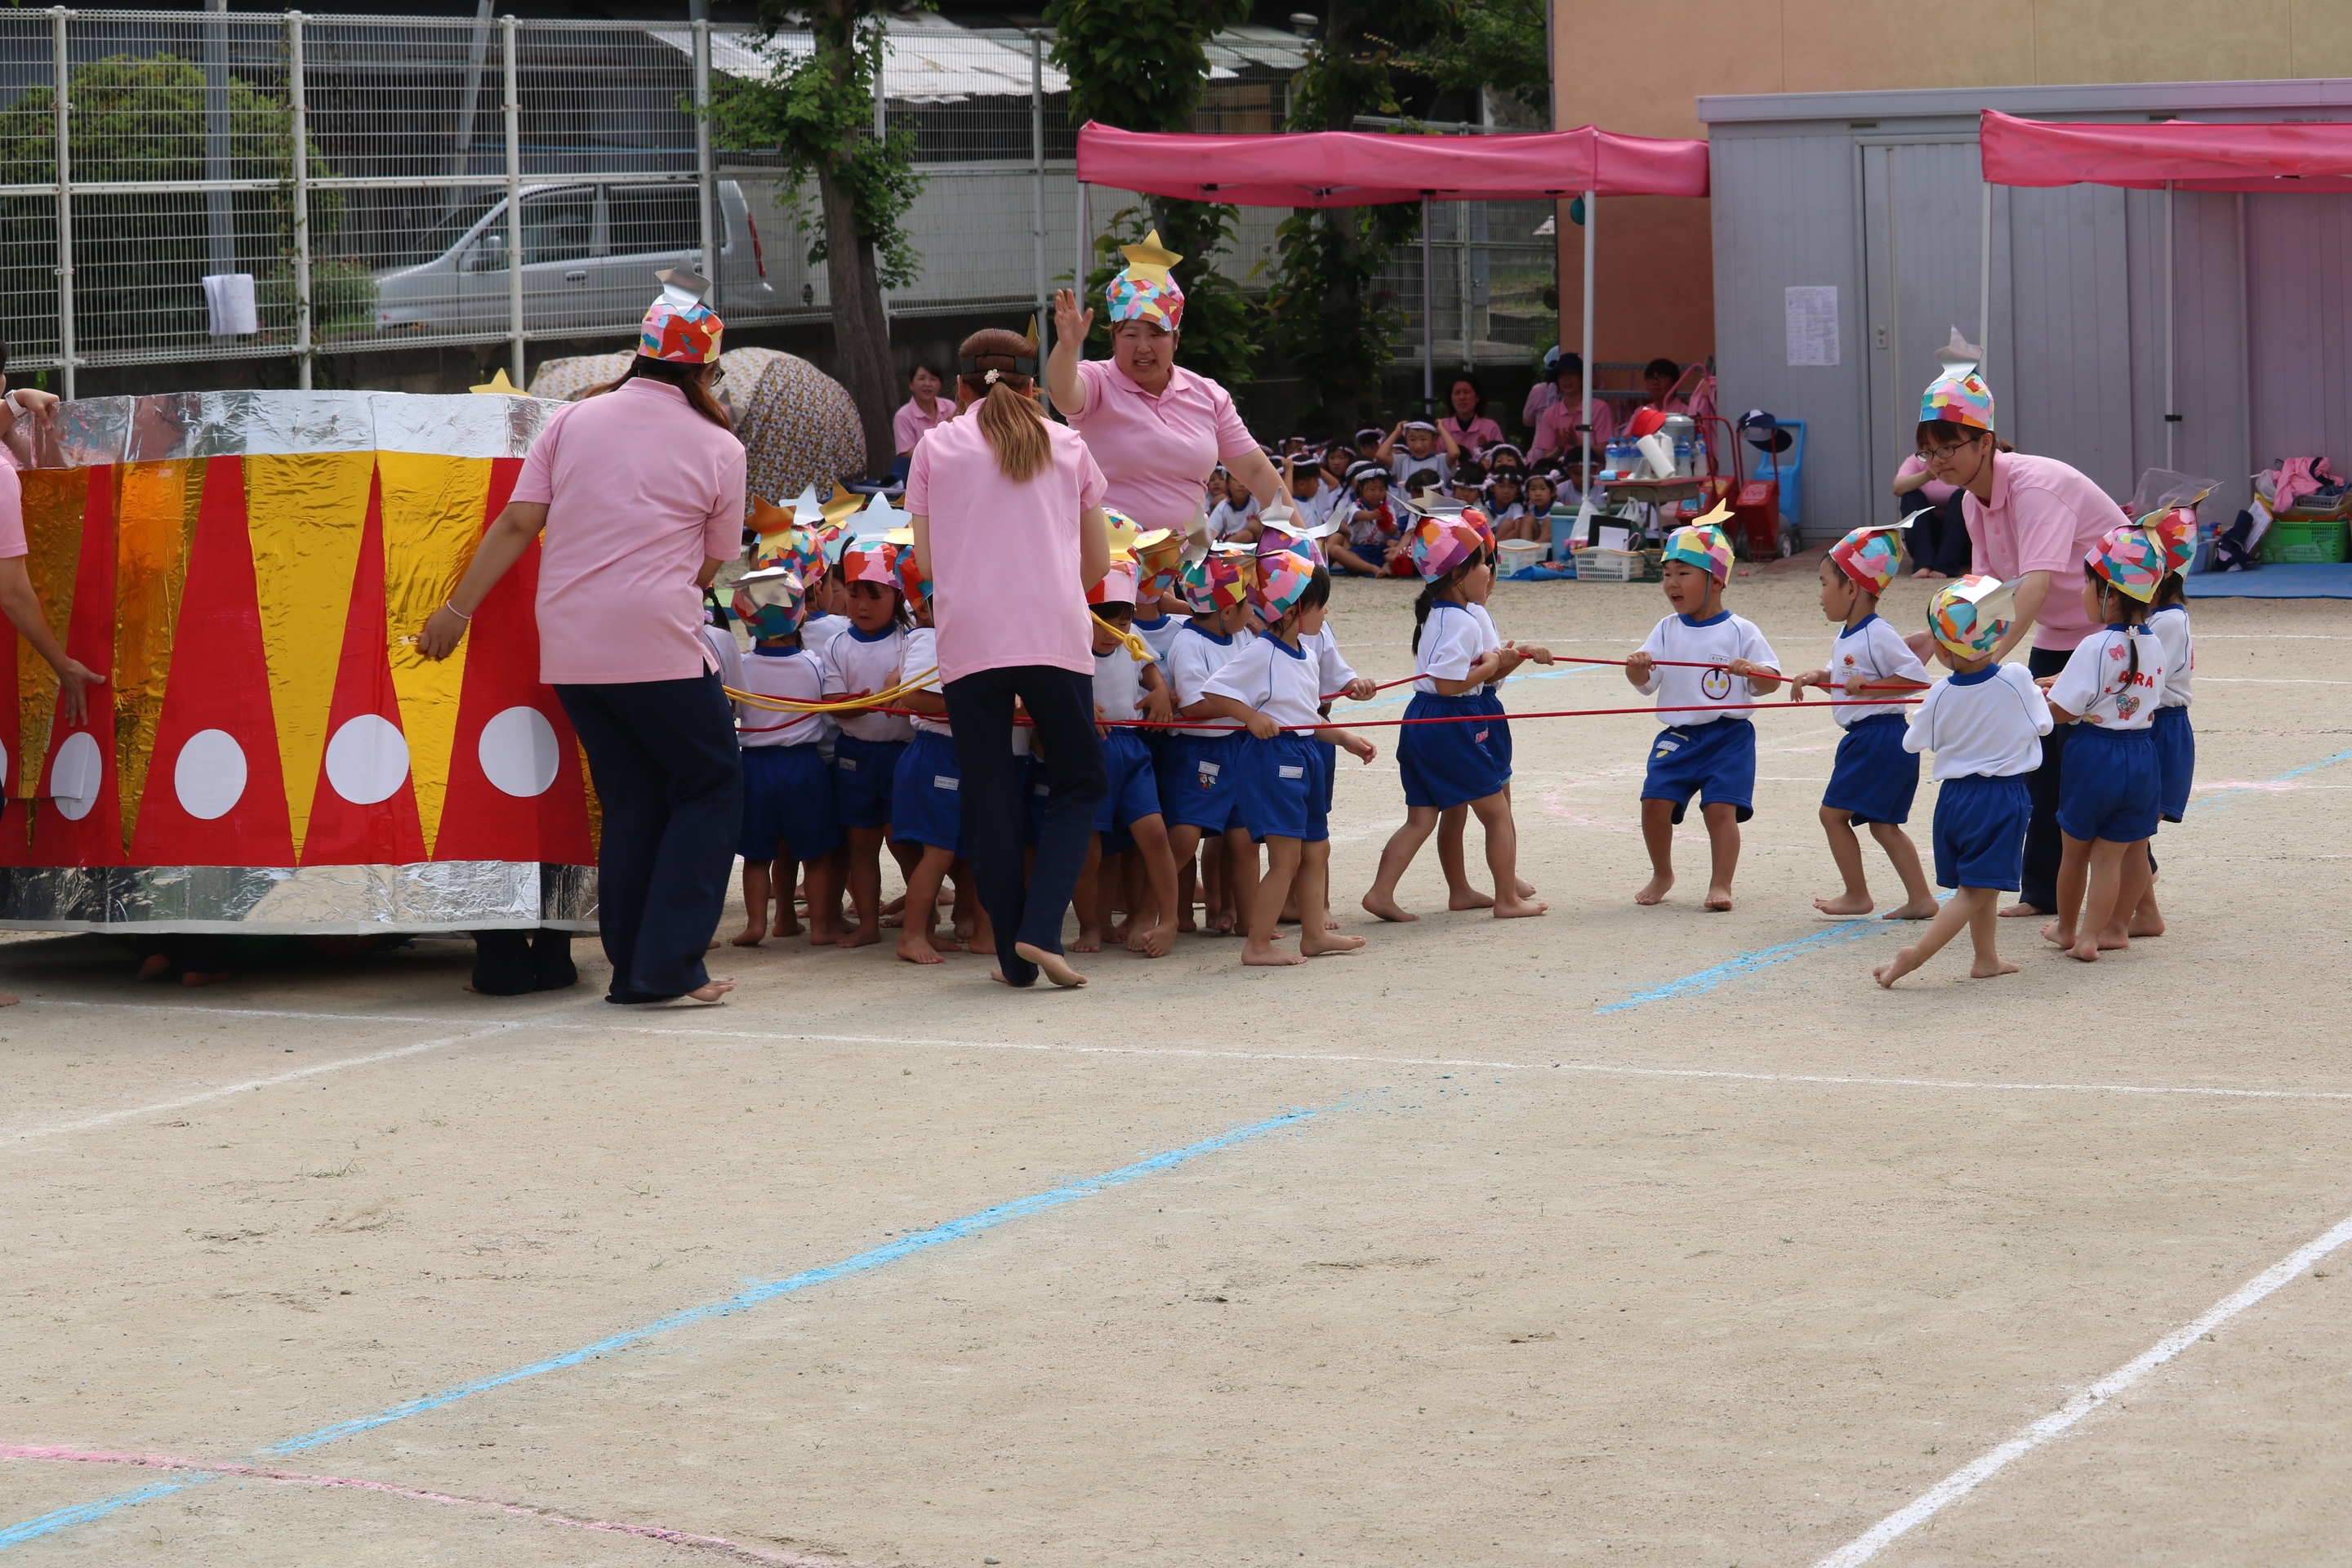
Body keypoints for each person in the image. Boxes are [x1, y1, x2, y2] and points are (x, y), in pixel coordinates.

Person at [420, 272, 743, 1006]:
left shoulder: (569, 422)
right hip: (658, 645)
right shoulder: (719, 446)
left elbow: (516, 525)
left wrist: (456, 612)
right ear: (702, 369)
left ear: (642, 354)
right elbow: (709, 566)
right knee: (711, 784)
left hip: (570, 646)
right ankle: (666, 966)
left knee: (634, 797)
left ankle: (636, 967)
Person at [906, 325, 1111, 990]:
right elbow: (1099, 563)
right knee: (1079, 781)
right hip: (1052, 629)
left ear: (960, 386)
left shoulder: (936, 445)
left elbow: (929, 563)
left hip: (969, 637)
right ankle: (1041, 929)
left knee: (990, 788)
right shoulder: (1068, 444)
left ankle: (1013, 961)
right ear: (1031, 385)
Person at [1913, 334, 2128, 920]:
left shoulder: (2036, 487)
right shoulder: (1968, 501)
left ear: (1985, 441)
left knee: (2094, 774)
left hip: (2111, 637)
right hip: (2060, 637)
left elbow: (2031, 584)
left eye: (1949, 448)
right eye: (1929, 454)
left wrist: (1988, 660)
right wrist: (1936, 643)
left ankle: (2133, 900)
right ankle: (2038, 893)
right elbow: (1984, 594)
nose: (1938, 463)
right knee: (2034, 763)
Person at [1361, 517, 1548, 923]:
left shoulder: (1440, 614)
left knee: (1424, 816)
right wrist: (1493, 663)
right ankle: (1507, 899)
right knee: (1496, 812)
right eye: (1484, 564)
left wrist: (1499, 661)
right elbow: (1449, 684)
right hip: (1452, 722)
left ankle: (1385, 892)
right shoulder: (1461, 620)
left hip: (1424, 721)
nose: (1490, 572)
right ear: (1459, 574)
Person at [1872, 577, 2053, 987]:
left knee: (1979, 882)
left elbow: (1914, 740)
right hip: (2000, 798)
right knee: (1974, 890)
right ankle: (1915, 956)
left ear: (1941, 646)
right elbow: (2042, 725)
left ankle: (1986, 958)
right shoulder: (2017, 677)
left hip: (1954, 800)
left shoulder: (1938, 693)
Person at [1198, 551, 1377, 964]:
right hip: (1273, 761)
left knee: (1317, 850)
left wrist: (1345, 738)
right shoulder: (1263, 651)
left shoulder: (1307, 654)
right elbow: (1213, 689)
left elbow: (1306, 717)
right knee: (1286, 858)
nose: (1326, 611)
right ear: (1296, 609)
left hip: (1307, 755)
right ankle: (1256, 944)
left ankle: (1313, 935)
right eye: (1320, 604)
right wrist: (1251, 716)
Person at [1046, 232, 1284, 533]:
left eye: (1156, 335)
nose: (1143, 347)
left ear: (1175, 340)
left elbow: (1256, 469)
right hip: (1114, 563)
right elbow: (1063, 393)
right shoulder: (1097, 382)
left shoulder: (1207, 394)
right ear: (1114, 340)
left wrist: (1303, 543)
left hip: (1190, 559)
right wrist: (1066, 348)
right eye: (1131, 335)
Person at [1625, 521, 1782, 911]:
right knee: (1653, 803)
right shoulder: (1665, 629)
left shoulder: (1740, 629)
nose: (1671, 583)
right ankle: (1663, 873)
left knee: (1719, 809)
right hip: (1678, 736)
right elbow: (1644, 682)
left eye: (1683, 573)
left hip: (1729, 737)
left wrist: (1755, 673)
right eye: (1666, 574)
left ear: (1717, 580)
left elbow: (1772, 682)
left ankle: (1720, 884)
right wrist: (1637, 665)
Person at [1787, 524, 1936, 920]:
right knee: (1883, 826)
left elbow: (1916, 678)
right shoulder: (1848, 635)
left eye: (1824, 584)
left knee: (1832, 815)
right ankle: (1921, 899)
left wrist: (1872, 686)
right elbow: (1844, 682)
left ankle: (1857, 895)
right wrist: (1819, 678)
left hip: (1878, 737)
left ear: (1851, 589)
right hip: (1873, 738)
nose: (1819, 594)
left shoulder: (1877, 633)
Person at [2040, 525, 2168, 962]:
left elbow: (2063, 711)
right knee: (2114, 856)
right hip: (2142, 755)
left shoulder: (2092, 645)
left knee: (2074, 852)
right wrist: (2064, 683)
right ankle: (2102, 934)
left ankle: (2066, 929)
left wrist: (2038, 699)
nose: (2082, 592)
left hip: (2095, 755)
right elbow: (2128, 688)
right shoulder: (2154, 644)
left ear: (2110, 595)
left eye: (2086, 583)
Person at [726, 564, 839, 948]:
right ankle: (822, 927)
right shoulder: (815, 664)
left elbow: (730, 713)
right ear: (800, 612)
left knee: (758, 854)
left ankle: (757, 923)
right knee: (817, 854)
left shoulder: (740, 668)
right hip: (804, 767)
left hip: (755, 768)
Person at [818, 542, 913, 951]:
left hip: (903, 755)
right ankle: (868, 922)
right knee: (860, 843)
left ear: (898, 596)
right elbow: (836, 708)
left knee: (903, 839)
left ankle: (921, 913)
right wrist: (866, 703)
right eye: (854, 593)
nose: (862, 604)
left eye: (875, 595)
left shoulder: (911, 642)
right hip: (856, 755)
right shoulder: (837, 645)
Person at [1082, 561, 1179, 957]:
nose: (1114, 633)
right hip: (1089, 751)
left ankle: (1169, 919)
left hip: (1133, 747)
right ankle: (1093, 924)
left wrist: (1158, 690)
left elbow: (1149, 669)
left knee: (1155, 834)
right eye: (1105, 624)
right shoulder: (1068, 641)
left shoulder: (1131, 636)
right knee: (1091, 850)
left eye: (1122, 623)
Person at [1160, 551, 1257, 936]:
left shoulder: (1242, 636)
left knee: (1245, 838)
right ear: (1226, 611)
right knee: (1185, 837)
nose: (1253, 610)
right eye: (1247, 603)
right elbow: (1192, 705)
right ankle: (1168, 915)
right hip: (1198, 752)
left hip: (1238, 747)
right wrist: (1244, 705)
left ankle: (1250, 920)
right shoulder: (1189, 642)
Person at [2134, 516, 2198, 937]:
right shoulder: (2160, 620)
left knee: (2130, 830)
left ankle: (2135, 913)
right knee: (2130, 830)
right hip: (2154, 725)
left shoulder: (2168, 623)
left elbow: (2148, 684)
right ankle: (2143, 912)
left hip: (2161, 729)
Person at [1529, 353, 1615, 471]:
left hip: (1594, 479)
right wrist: (1559, 448)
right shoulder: (1550, 414)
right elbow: (1547, 459)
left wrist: (1579, 443)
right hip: (1561, 479)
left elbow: (1607, 453)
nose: (1566, 378)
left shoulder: (1600, 408)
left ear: (1582, 377)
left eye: (1571, 373)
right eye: (1562, 374)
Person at [1892, 452, 1972, 577]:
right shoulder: (1915, 461)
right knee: (1911, 496)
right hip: (1927, 541)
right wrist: (1928, 474)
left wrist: (1952, 475)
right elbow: (1898, 488)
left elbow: (1978, 489)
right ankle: (1923, 564)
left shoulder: (1962, 459)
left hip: (1960, 543)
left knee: (1962, 496)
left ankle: (1946, 566)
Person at [892, 361, 953, 461]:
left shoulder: (950, 407)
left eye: (933, 379)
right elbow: (906, 453)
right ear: (911, 384)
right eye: (921, 379)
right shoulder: (903, 416)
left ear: (941, 384)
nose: (927, 384)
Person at [1438, 374, 1505, 460]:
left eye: (1466, 392)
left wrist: (1487, 448)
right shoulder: (1442, 426)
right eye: (1457, 393)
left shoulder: (1491, 427)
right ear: (1451, 399)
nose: (1462, 397)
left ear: (1477, 397)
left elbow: (1501, 460)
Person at [1377, 420, 1457, 490]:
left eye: (1423, 439)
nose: (1418, 446)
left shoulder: (1440, 461)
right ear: (1406, 440)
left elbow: (1454, 453)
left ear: (1434, 439)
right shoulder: (1402, 461)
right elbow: (1381, 456)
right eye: (1412, 439)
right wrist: (1396, 433)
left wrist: (1442, 430)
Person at [1205, 466, 1261, 542]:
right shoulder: (1223, 507)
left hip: (1252, 545)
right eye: (1236, 480)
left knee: (1255, 525)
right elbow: (1209, 533)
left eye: (1245, 480)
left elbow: (1265, 523)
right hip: (1228, 543)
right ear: (1227, 484)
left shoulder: (1255, 502)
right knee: (1247, 536)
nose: (1241, 484)